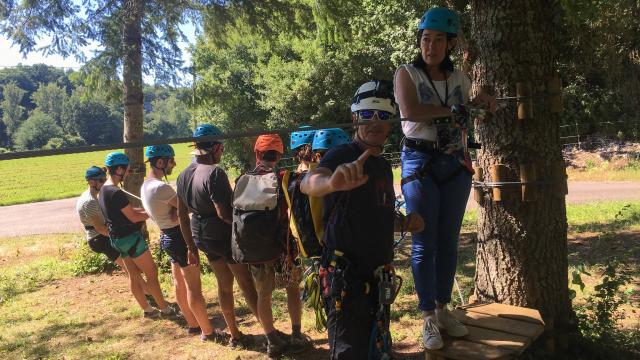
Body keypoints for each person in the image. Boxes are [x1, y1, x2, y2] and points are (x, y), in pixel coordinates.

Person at [393, 7, 496, 350]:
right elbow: (410, 111)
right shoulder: (406, 74)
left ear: (450, 44)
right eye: (426, 39)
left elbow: (466, 117)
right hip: (419, 159)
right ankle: (426, 319)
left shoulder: (460, 79)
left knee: (449, 241)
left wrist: (479, 104)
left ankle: (442, 309)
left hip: (454, 162)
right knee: (424, 241)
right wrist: (457, 109)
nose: (430, 46)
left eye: (438, 40)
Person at [300, 80, 424, 359]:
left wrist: (403, 223)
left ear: (391, 122)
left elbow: (377, 216)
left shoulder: (381, 167)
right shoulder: (344, 154)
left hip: (377, 278)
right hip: (347, 278)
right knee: (348, 352)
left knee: (376, 348)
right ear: (355, 118)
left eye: (383, 116)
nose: (375, 123)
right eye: (367, 114)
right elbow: (309, 182)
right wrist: (331, 182)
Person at [175, 124, 259, 346]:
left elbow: (182, 216)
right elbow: (224, 213)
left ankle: (235, 334)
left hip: (201, 235)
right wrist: (248, 225)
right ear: (213, 147)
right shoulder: (215, 173)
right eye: (221, 147)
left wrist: (191, 247)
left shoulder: (183, 175)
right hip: (222, 235)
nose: (222, 151)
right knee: (246, 283)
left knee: (224, 284)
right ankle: (270, 333)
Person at [140, 144, 216, 339]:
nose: (174, 164)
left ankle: (192, 324)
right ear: (160, 162)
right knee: (193, 287)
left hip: (167, 235)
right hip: (179, 236)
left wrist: (177, 208)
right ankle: (208, 331)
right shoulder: (161, 188)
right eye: (170, 160)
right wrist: (180, 207)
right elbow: (188, 208)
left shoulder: (146, 185)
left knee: (179, 283)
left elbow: (177, 210)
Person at [98, 152, 176, 318]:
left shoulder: (104, 190)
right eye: (126, 169)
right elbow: (133, 217)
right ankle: (165, 309)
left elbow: (128, 212)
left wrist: (146, 210)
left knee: (133, 274)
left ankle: (147, 309)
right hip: (130, 238)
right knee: (152, 273)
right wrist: (151, 213)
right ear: (119, 169)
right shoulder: (115, 192)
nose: (128, 172)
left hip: (117, 239)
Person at [76, 166, 123, 267]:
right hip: (99, 238)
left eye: (105, 179)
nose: (105, 183)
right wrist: (121, 237)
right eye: (101, 180)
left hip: (103, 236)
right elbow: (100, 228)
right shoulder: (90, 201)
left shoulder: (95, 195)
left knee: (131, 267)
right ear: (91, 182)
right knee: (130, 267)